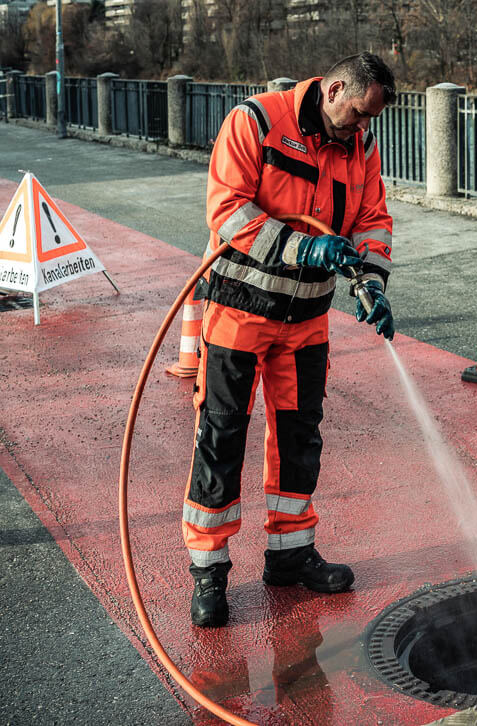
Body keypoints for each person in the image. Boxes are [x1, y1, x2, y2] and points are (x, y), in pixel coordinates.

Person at [183, 52, 397, 627]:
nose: (360, 129)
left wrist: (372, 284)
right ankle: (210, 569)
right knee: (223, 434)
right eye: (355, 115)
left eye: (368, 120)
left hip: (306, 320)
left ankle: (289, 553)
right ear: (331, 90)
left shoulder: (362, 147)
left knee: (300, 435)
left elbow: (373, 220)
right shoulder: (255, 122)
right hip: (238, 312)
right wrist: (306, 248)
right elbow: (226, 211)